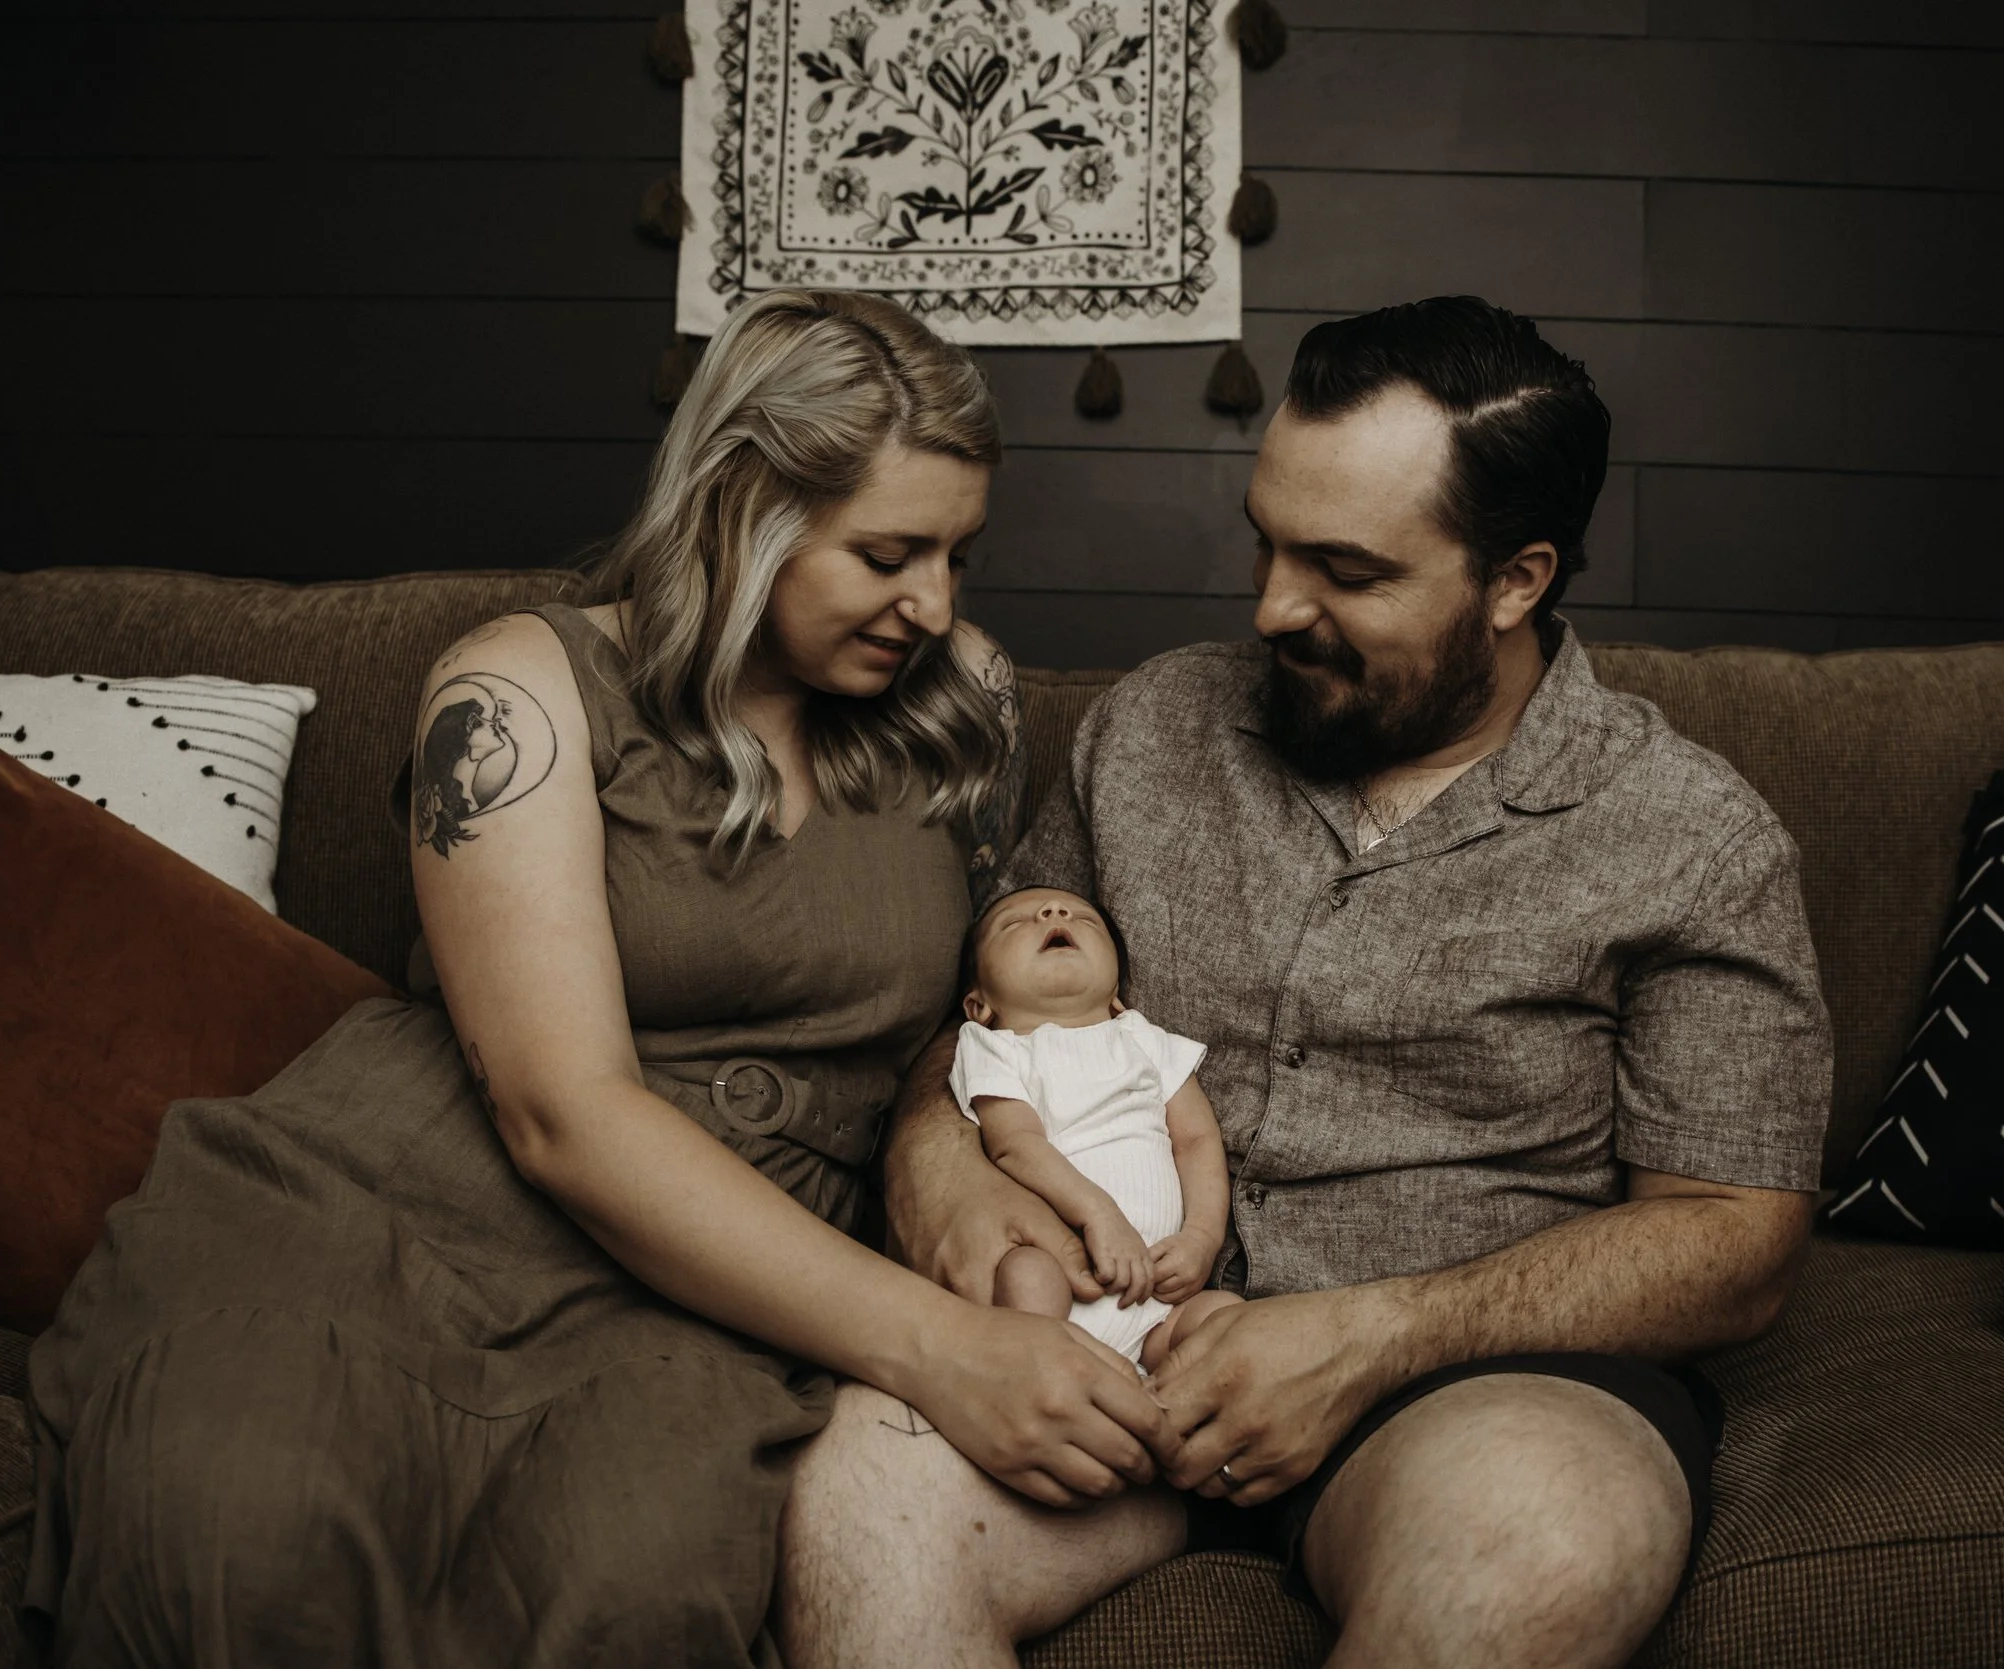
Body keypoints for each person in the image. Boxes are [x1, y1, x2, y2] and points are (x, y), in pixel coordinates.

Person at [22, 287, 1169, 1669]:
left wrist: (965, 1173)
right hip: (396, 1222)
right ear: (740, 507)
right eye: (887, 554)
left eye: (957, 556)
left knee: (633, 1585)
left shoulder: (959, 700)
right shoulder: (516, 687)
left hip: (717, 1288)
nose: (931, 603)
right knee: (242, 1529)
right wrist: (938, 1349)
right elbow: (558, 1111)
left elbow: (971, 1020)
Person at [777, 297, 1835, 1669]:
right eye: (1267, 544)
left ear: (1515, 580)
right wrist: (937, 1165)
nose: (1273, 607)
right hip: (1103, 1339)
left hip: (1463, 1389)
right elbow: (979, 1021)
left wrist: (1372, 1336)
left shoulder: (1691, 835)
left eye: (1345, 570)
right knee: (858, 1496)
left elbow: (1735, 1235)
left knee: (1541, 1550)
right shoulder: (1153, 726)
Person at [954, 885, 1241, 1371]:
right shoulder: (993, 1047)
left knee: (1226, 1317)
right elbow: (1014, 1144)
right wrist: (1098, 1214)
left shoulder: (1146, 1040)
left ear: (1115, 996)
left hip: (1155, 1308)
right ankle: (1048, 1374)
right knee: (1025, 1276)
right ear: (979, 1006)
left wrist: (1201, 1237)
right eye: (1014, 922)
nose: (1054, 912)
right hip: (1062, 1276)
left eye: (1084, 919)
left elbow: (1196, 1141)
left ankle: (1150, 1392)